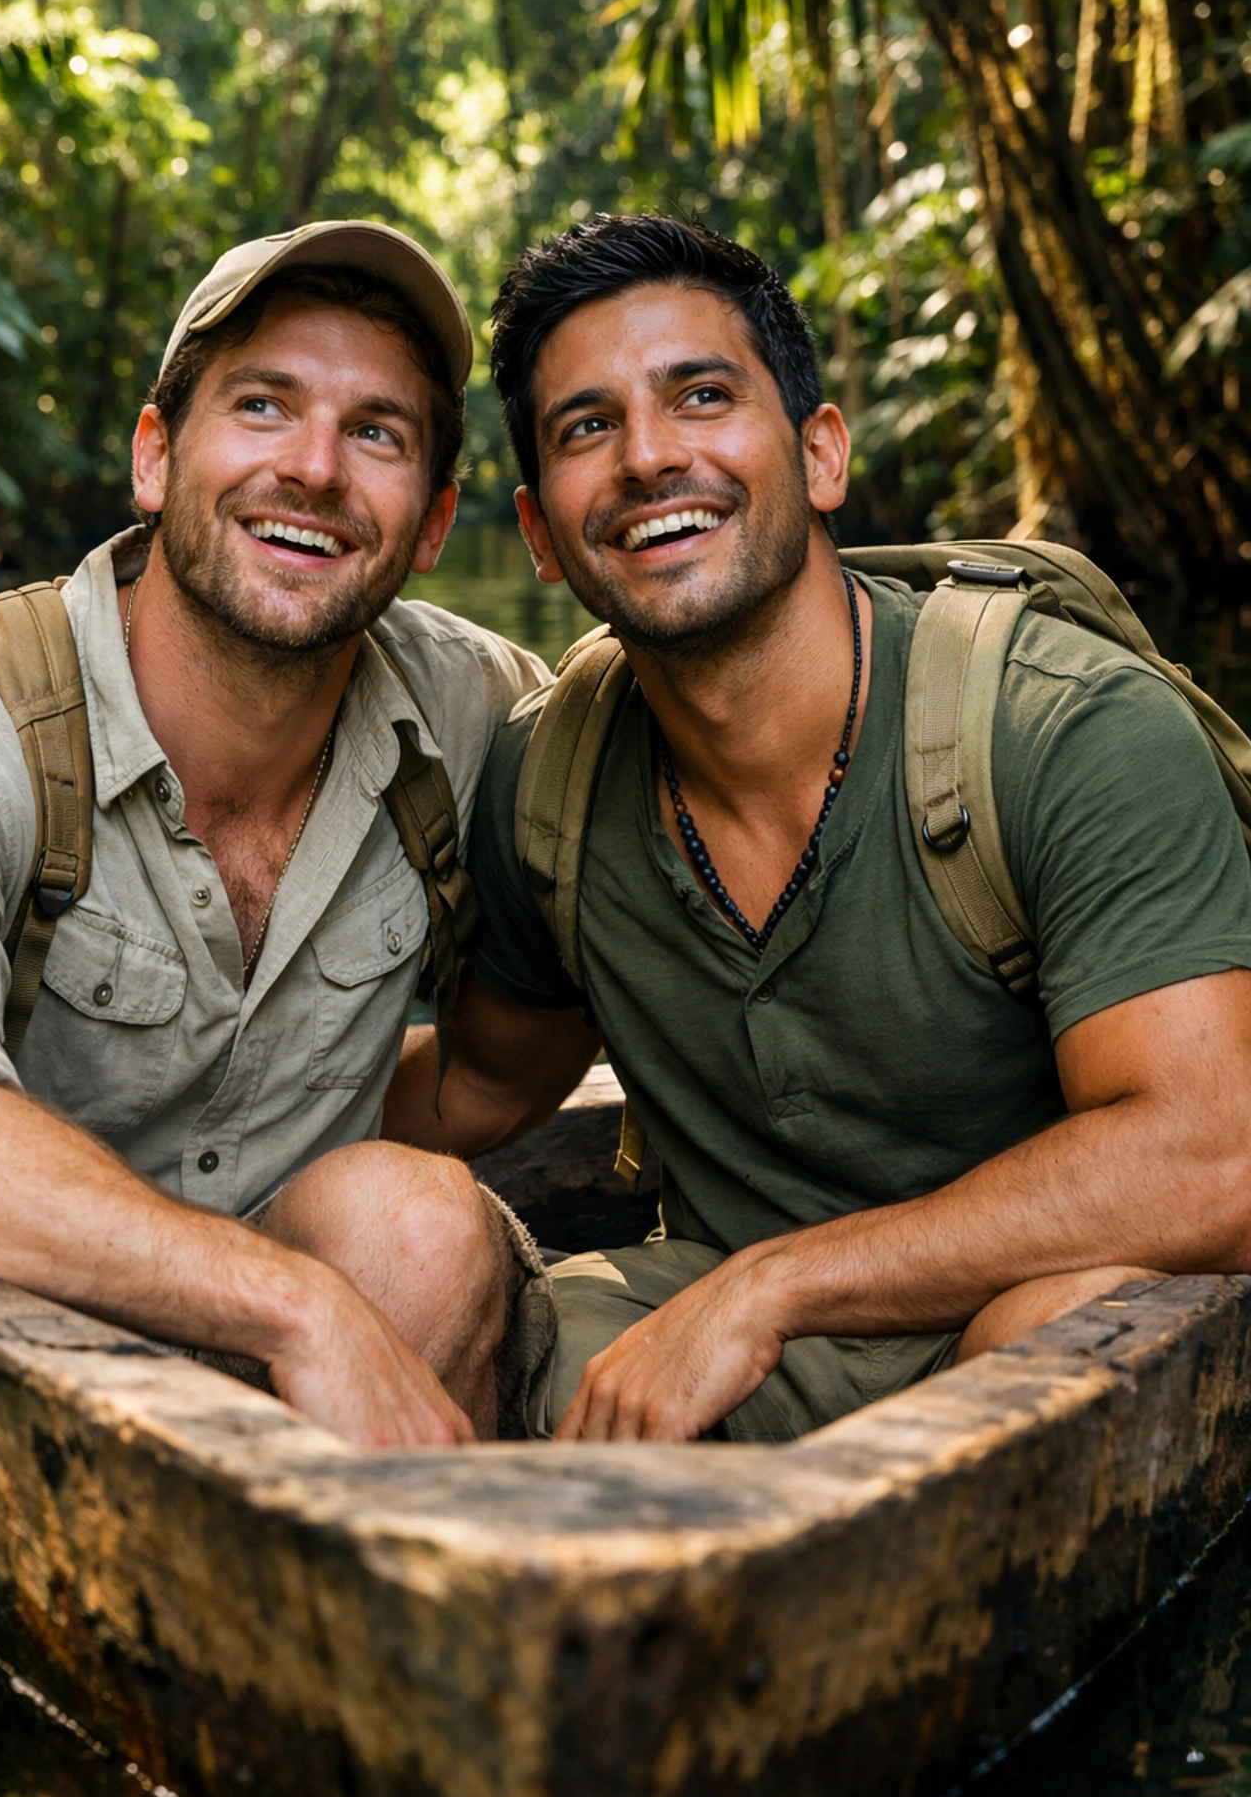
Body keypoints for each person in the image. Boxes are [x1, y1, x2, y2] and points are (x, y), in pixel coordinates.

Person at [383, 213, 1251, 1443]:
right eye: (587, 427)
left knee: (1060, 1342)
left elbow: (1217, 1162)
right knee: (382, 1232)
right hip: (708, 1318)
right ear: (539, 534)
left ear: (820, 453)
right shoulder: (553, 775)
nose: (647, 457)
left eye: (701, 396)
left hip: (1015, 1304)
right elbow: (478, 1082)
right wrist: (176, 1152)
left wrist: (775, 1287)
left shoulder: (1064, 726)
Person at [0, 221, 551, 1449]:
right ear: (155, 455)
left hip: (312, 1259)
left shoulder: (479, 710)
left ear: (435, 521)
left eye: (377, 433)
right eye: (263, 405)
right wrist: (296, 1309)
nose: (315, 469)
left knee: (423, 1225)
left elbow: (675, 752)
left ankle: (419, 1559)